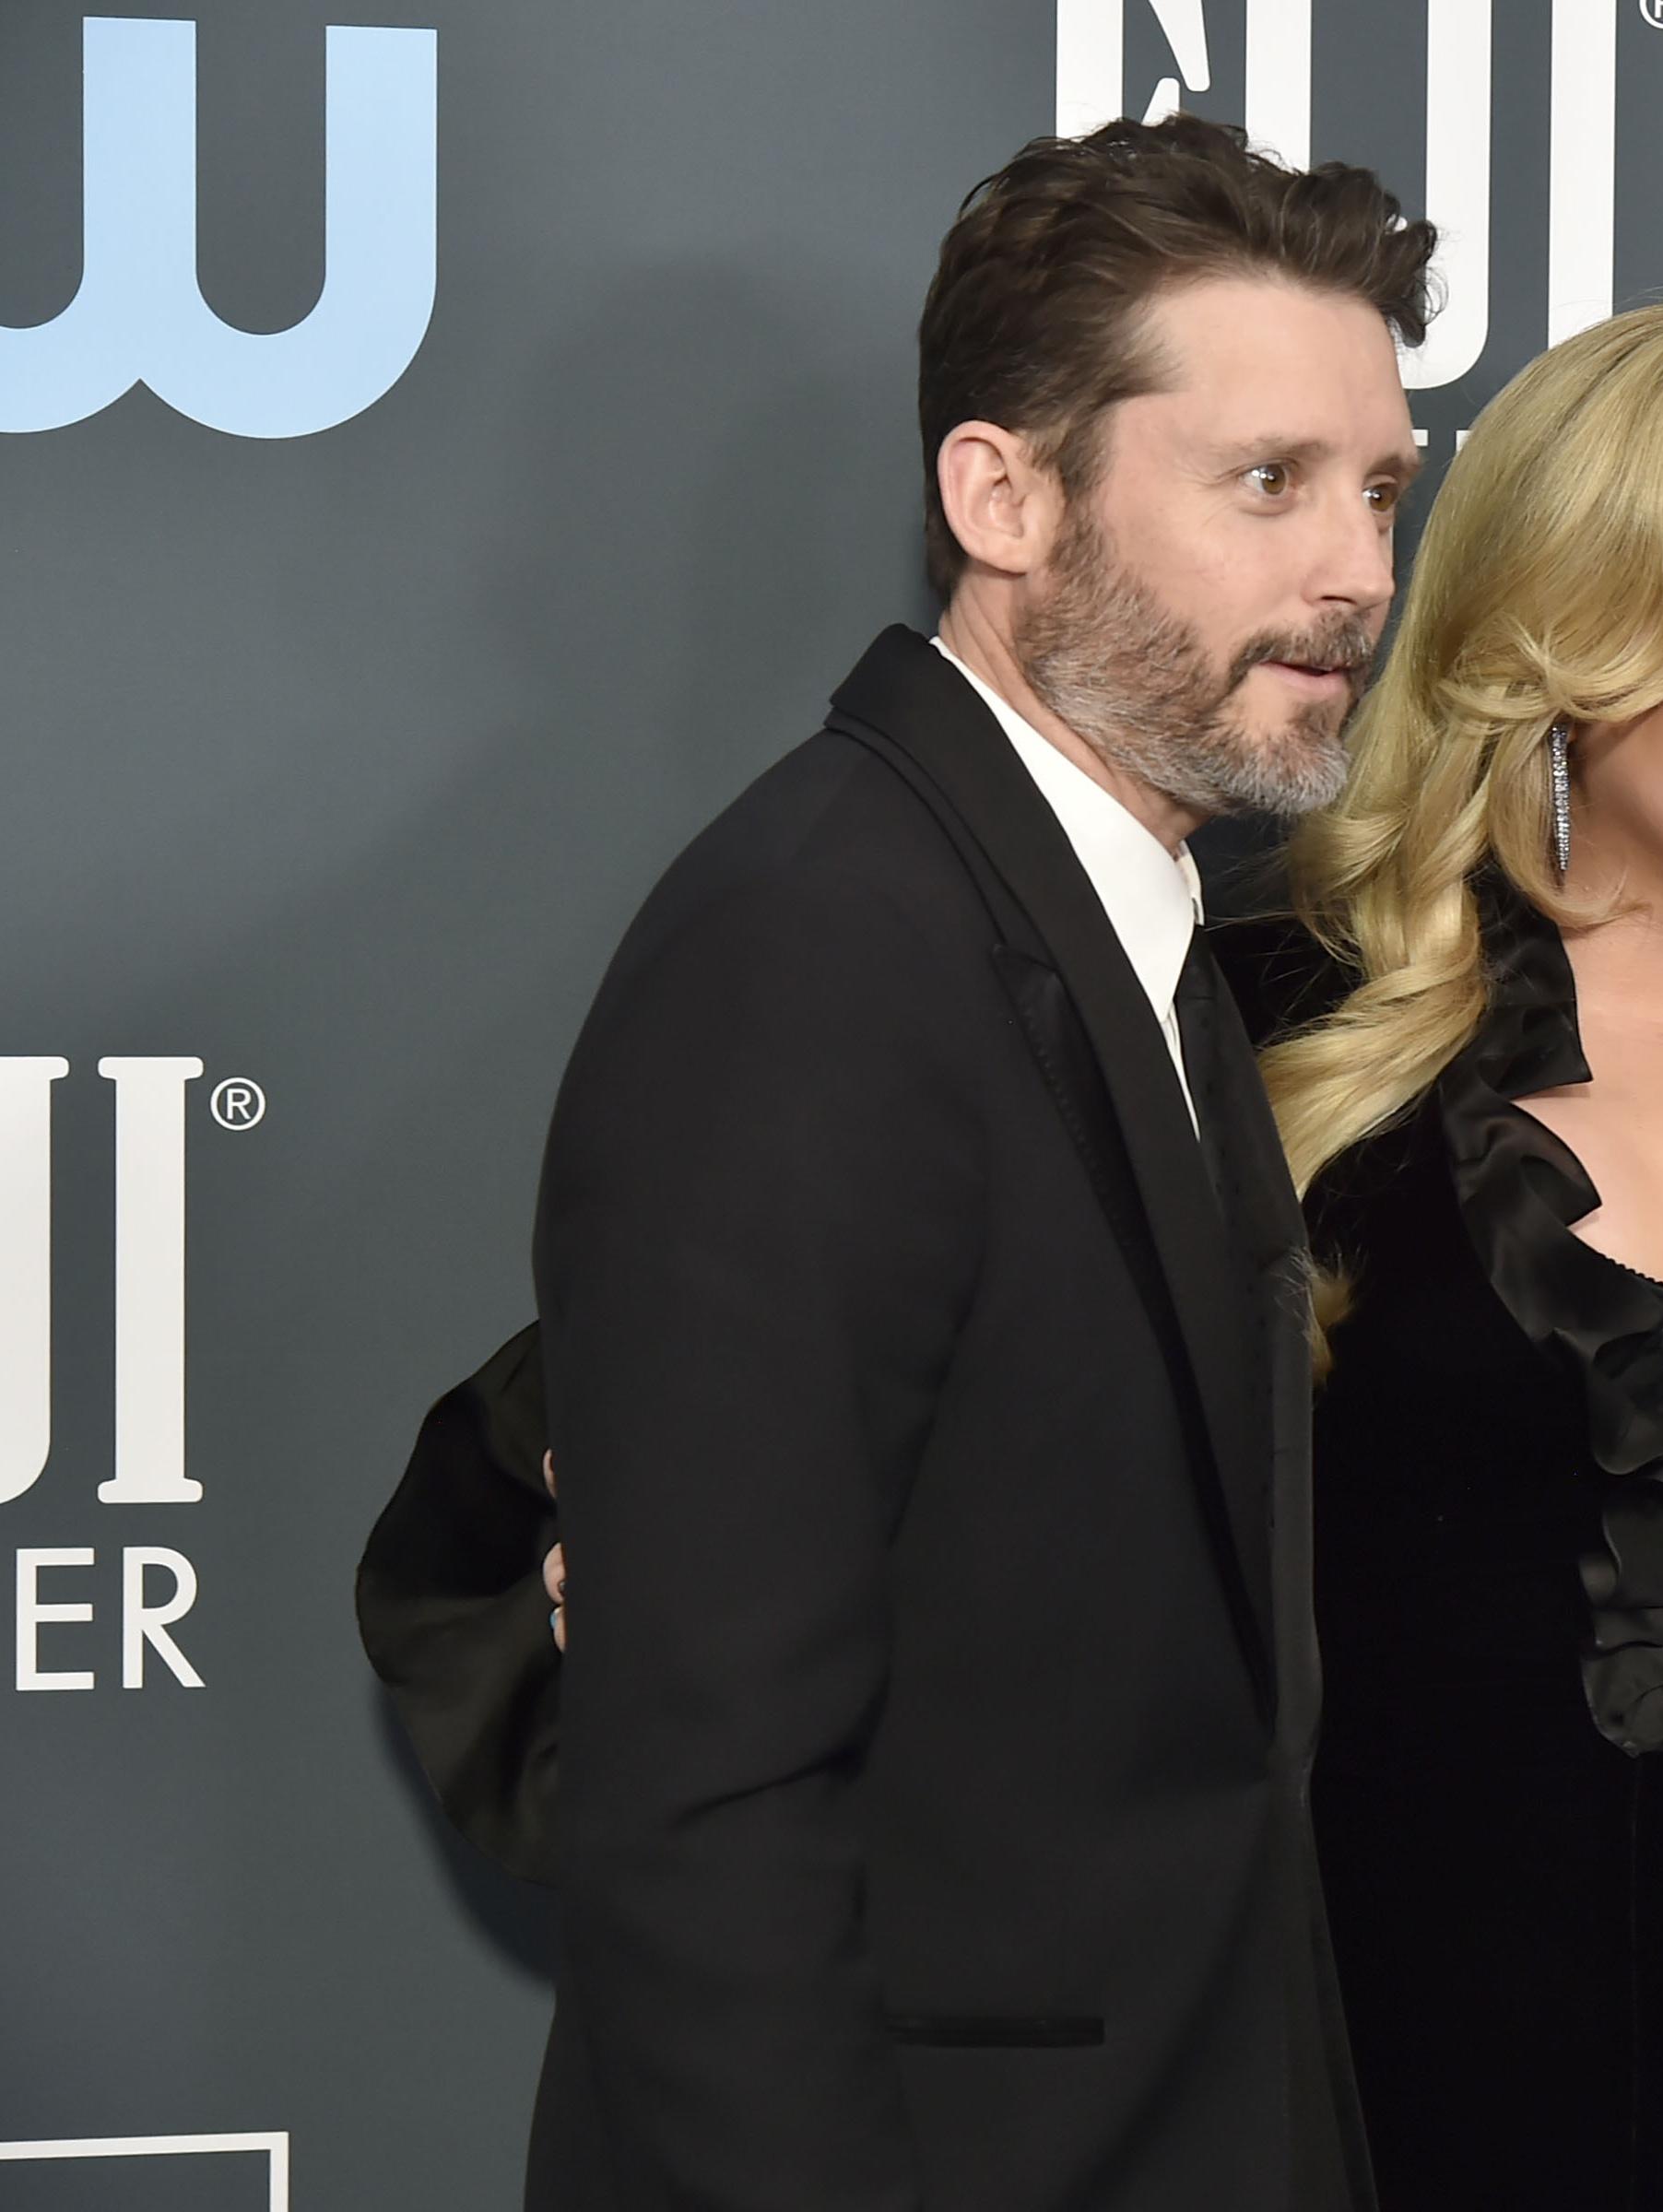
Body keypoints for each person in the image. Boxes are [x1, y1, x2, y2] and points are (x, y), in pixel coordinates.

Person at [372, 301, 1663, 2206]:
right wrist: (646, 1562)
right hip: (1352, 2114)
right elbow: (695, 1366)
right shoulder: (1248, 1014)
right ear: (1559, 651)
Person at [359, 114, 1433, 2212]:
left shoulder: (1112, 919)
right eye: (1267, 484)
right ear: (1001, 492)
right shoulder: (818, 951)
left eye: (1384, 487)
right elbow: (707, 1816)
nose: (1358, 573)